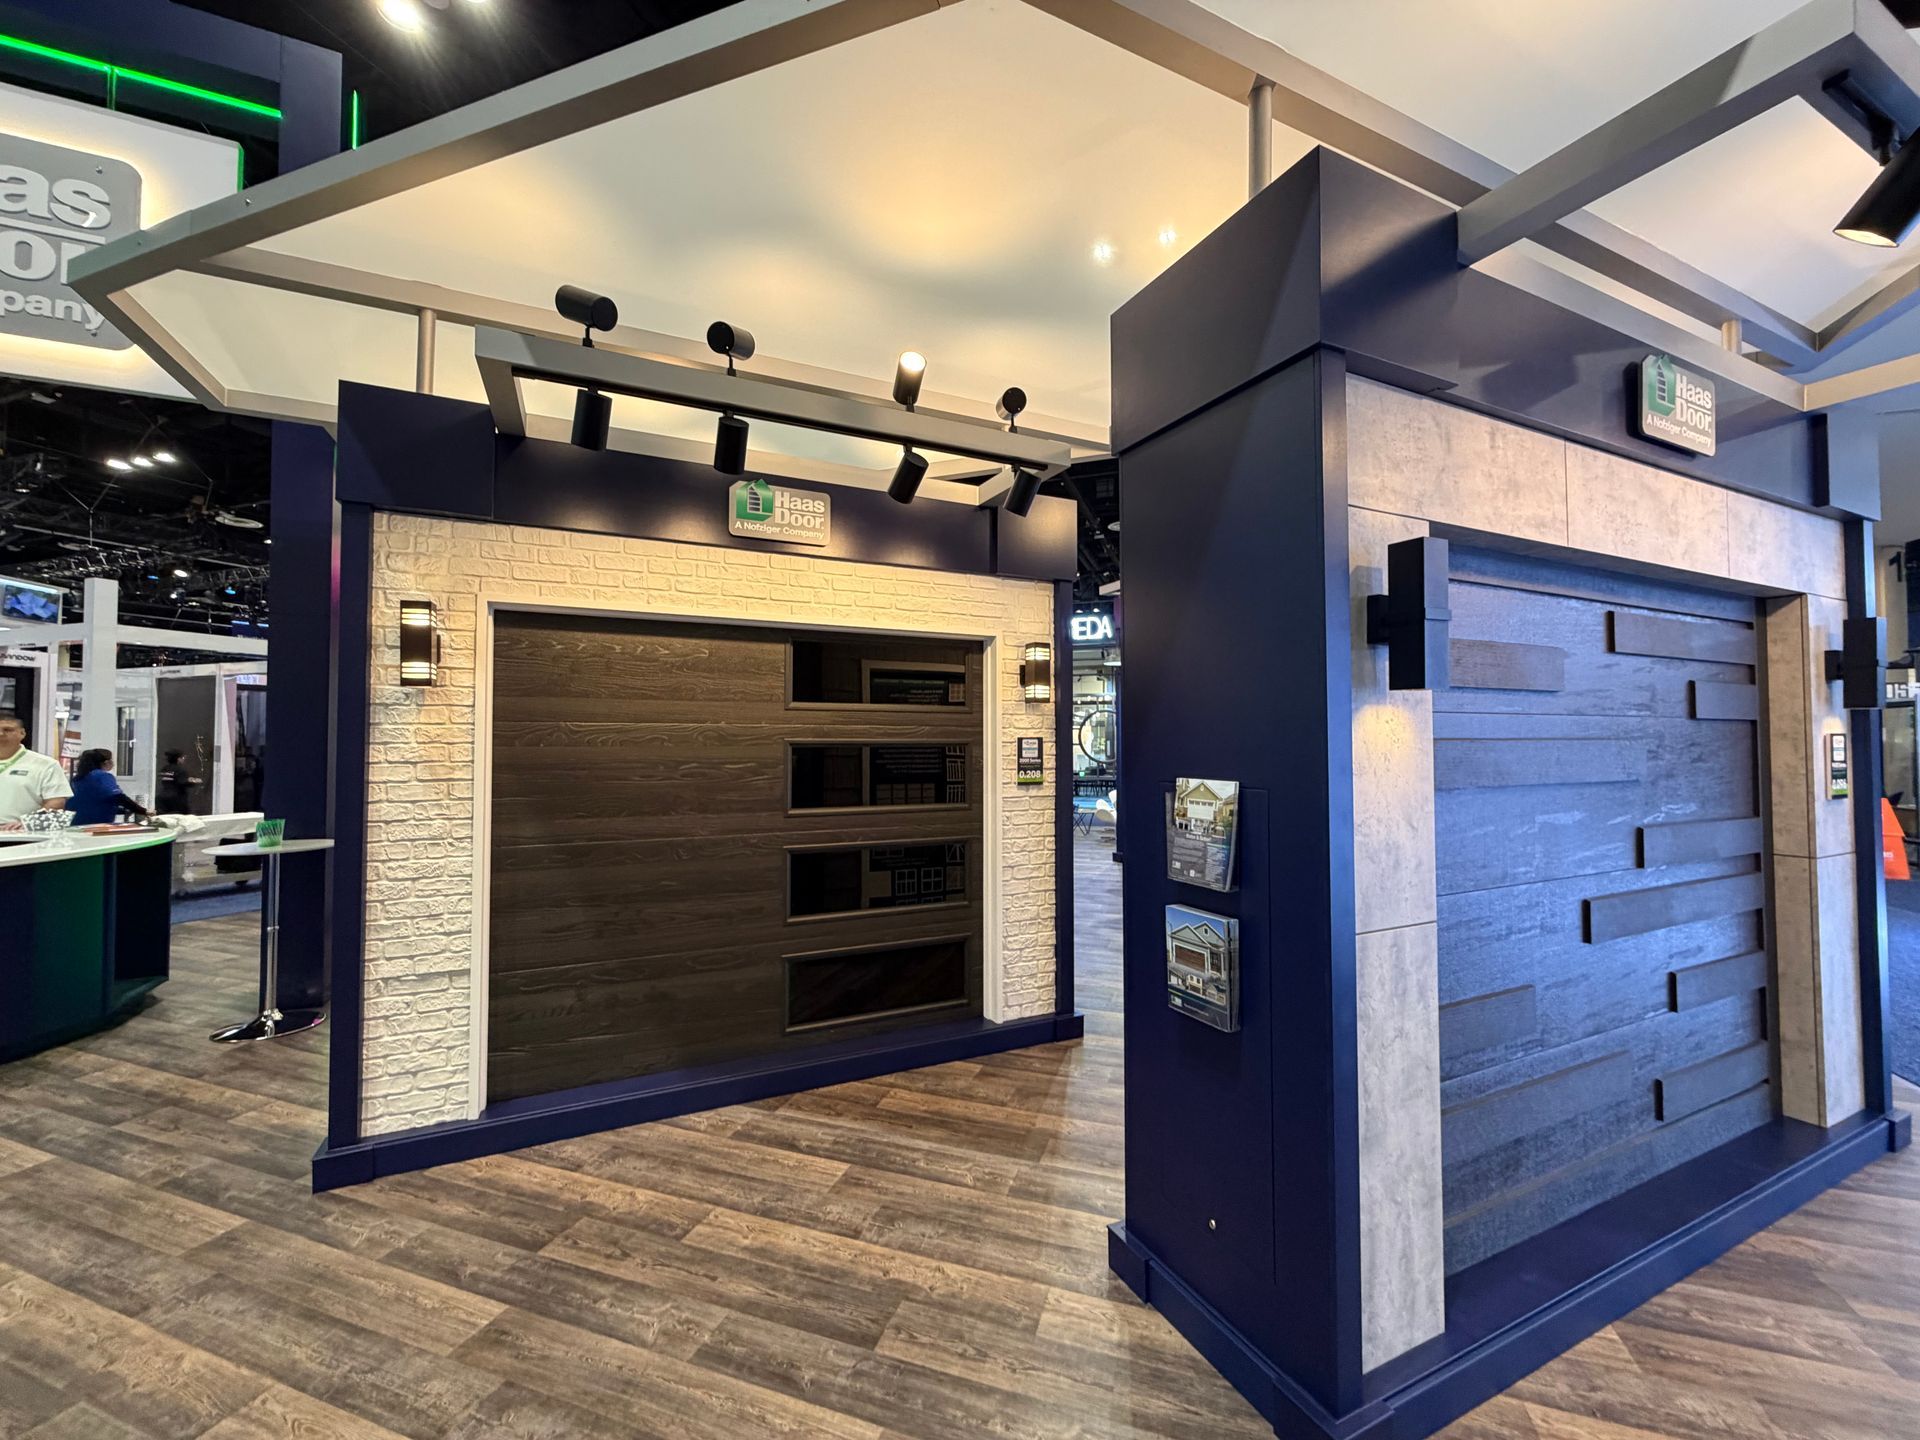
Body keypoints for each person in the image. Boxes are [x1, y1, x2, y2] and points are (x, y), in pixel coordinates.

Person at [0, 711, 70, 830]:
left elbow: (56, 802)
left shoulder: (46, 764)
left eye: (8, 730)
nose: (1, 734)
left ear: (22, 733)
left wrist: (29, 822)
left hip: (19, 834)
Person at [67, 748, 150, 826]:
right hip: (97, 825)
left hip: (75, 823)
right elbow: (119, 798)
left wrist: (123, 810)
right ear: (106, 762)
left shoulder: (77, 779)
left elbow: (94, 803)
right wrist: (143, 811)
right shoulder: (103, 776)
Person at [156, 748, 201, 814]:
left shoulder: (164, 769)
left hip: (162, 798)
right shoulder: (180, 770)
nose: (184, 759)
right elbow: (182, 782)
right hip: (176, 799)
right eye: (182, 757)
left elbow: (169, 779)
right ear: (178, 759)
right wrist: (194, 781)